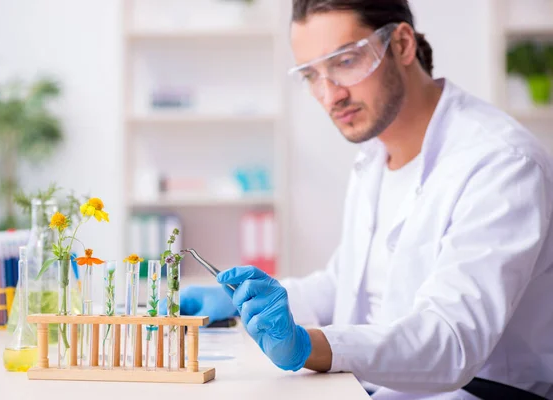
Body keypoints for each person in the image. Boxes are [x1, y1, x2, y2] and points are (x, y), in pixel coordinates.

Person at [168, 1, 553, 398]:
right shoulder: (372, 157)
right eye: (311, 75)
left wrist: (308, 346)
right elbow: (348, 286)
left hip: (481, 391)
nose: (329, 95)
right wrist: (242, 304)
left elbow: (451, 339)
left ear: (402, 44)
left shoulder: (502, 163)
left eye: (345, 61)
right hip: (374, 386)